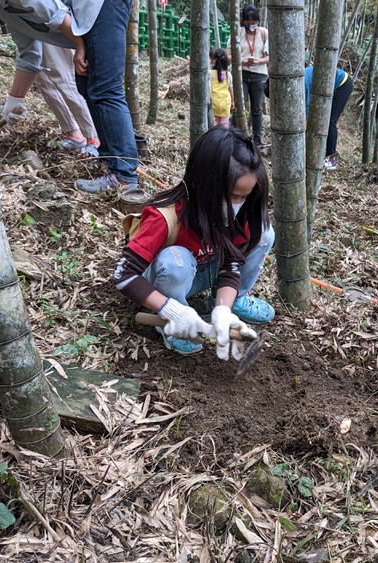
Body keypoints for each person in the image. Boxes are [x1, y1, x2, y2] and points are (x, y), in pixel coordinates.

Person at [112, 127, 275, 357]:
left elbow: (232, 264)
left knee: (265, 233)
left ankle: (227, 303)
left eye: (245, 196)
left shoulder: (239, 212)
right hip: (166, 277)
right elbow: (123, 274)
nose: (238, 203)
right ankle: (169, 324)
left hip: (201, 271)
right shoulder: (166, 216)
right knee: (174, 260)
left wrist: (222, 308)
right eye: (233, 195)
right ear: (205, 184)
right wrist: (172, 310)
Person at [0, 0, 145, 203]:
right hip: (87, 13)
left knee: (106, 89)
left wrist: (79, 45)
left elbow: (55, 12)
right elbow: (30, 55)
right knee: (87, 86)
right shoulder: (2, 8)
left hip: (100, 5)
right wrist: (15, 98)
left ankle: (124, 176)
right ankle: (109, 159)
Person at [33, 43, 100, 158]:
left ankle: (94, 138)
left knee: (63, 75)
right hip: (28, 27)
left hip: (51, 27)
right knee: (41, 78)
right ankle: (74, 133)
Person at [228, 4, 269, 149]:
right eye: (248, 21)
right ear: (243, 20)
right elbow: (229, 55)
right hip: (242, 73)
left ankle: (257, 140)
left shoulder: (264, 33)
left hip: (259, 75)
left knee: (257, 109)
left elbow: (269, 57)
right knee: (240, 105)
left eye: (253, 21)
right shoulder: (238, 32)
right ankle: (232, 135)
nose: (251, 24)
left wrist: (258, 61)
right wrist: (242, 61)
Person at [304, 66, 353, 171]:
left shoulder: (301, 83)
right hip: (325, 86)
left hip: (342, 84)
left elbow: (307, 108)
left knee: (330, 120)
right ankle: (319, 153)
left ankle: (331, 160)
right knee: (321, 120)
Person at [210, 48, 234, 127]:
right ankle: (224, 138)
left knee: (217, 124)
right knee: (225, 124)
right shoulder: (228, 75)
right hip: (225, 102)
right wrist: (233, 102)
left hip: (214, 102)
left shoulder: (210, 74)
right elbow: (231, 90)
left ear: (213, 61)